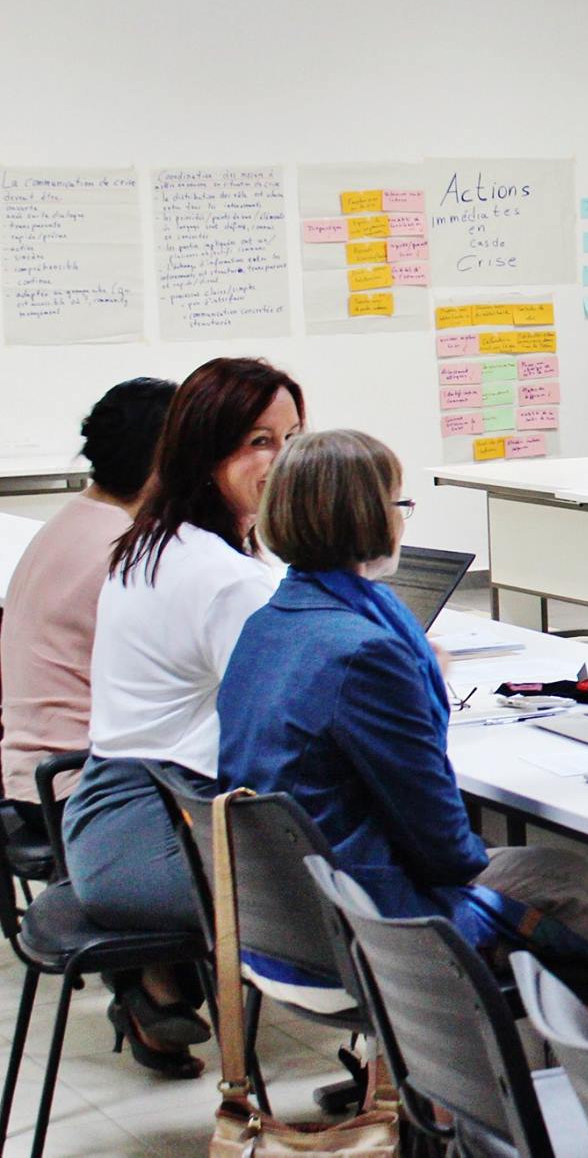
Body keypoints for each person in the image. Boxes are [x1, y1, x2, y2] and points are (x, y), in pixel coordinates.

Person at [217, 431, 588, 1039]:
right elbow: (447, 853)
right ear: (368, 517)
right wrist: (416, 683)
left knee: (547, 871)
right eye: (398, 505)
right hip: (365, 927)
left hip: (280, 924)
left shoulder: (269, 623)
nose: (402, 521)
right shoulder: (367, 652)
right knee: (563, 880)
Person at [62, 357, 302, 1078]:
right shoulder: (224, 577)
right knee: (375, 875)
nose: (283, 461)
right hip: (154, 840)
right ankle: (420, 1081)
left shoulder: (157, 540)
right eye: (258, 442)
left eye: (293, 439)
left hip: (107, 824)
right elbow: (291, 720)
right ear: (204, 451)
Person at [2, 378, 174, 828]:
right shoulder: (124, 550)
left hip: (35, 780)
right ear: (164, 459)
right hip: (81, 788)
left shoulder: (70, 521)